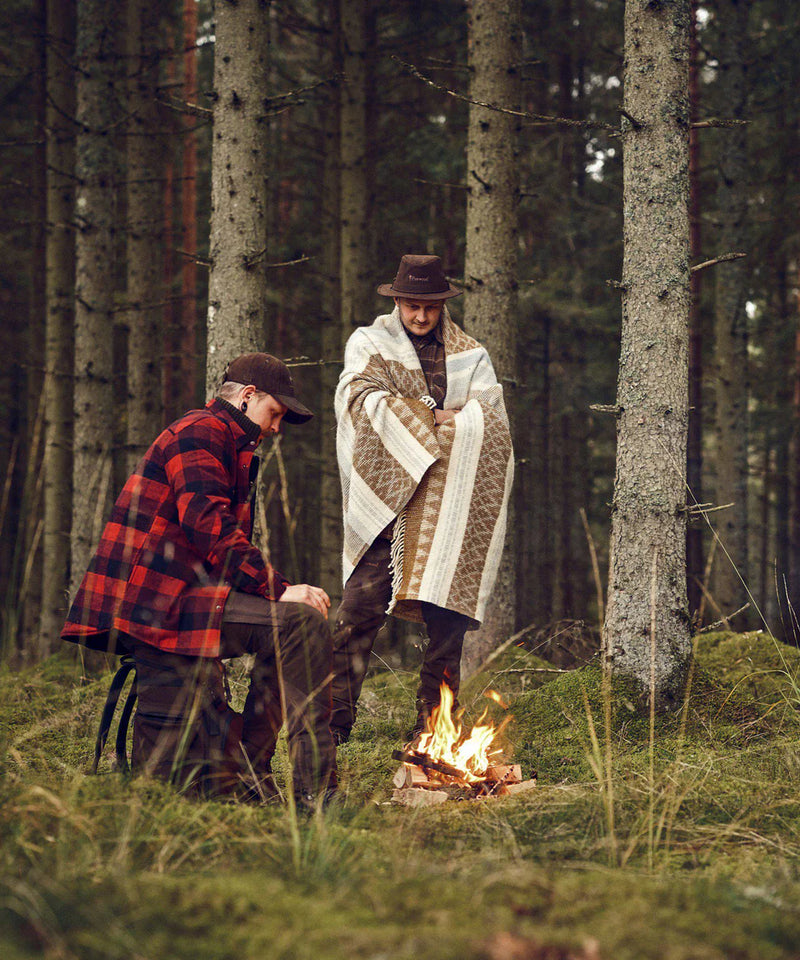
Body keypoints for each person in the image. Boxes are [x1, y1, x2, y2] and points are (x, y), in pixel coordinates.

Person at [62, 353, 337, 805]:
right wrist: (280, 588)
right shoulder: (201, 431)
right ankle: (314, 796)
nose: (276, 428)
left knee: (292, 625)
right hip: (161, 603)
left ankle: (251, 769)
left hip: (186, 599)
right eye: (275, 414)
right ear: (248, 397)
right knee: (298, 621)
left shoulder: (229, 442)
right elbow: (207, 524)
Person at [331, 254, 514, 745]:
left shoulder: (471, 355)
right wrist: (436, 416)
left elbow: (491, 422)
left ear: (442, 305)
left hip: (446, 506)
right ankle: (333, 723)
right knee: (358, 609)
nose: (420, 317)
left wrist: (435, 418)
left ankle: (432, 726)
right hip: (387, 502)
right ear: (396, 302)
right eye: (412, 306)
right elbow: (359, 403)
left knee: (447, 619)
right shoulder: (370, 344)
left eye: (429, 307)